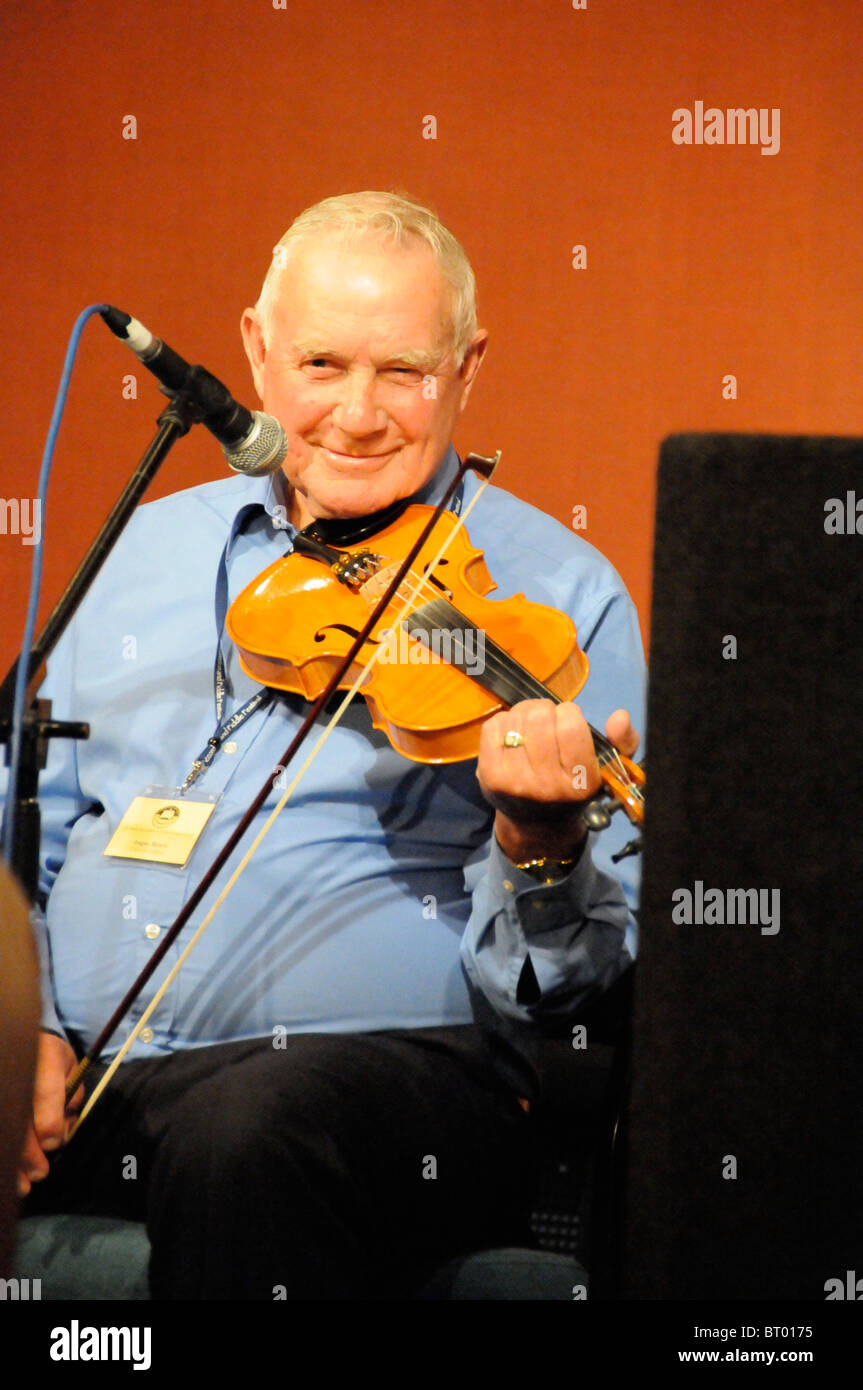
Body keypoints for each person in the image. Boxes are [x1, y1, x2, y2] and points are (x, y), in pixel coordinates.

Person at [15, 191, 645, 1299]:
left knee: (254, 1122)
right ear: (256, 353)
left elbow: (576, 985)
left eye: (402, 370)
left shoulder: (553, 602)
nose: (357, 416)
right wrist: (17, 1033)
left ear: (465, 366)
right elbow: (20, 835)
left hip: (395, 1097)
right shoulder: (136, 553)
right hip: (103, 1084)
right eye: (320, 365)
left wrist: (541, 847)